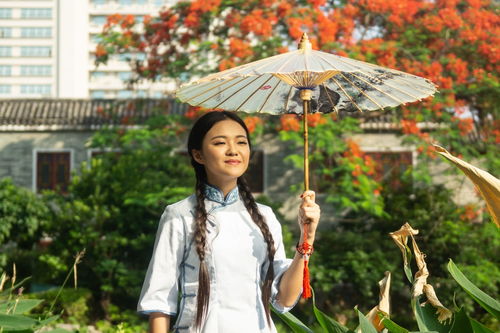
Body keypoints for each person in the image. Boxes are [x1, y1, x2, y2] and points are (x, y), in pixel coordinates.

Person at [138, 111, 320, 332]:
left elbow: (284, 299)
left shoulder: (265, 217)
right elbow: (160, 303)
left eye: (241, 142)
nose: (233, 150)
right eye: (220, 142)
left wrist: (306, 238)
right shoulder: (179, 215)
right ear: (198, 155)